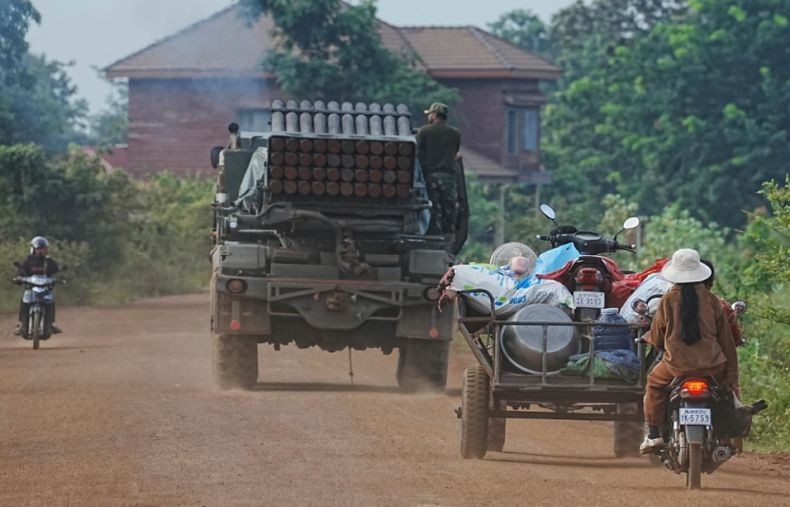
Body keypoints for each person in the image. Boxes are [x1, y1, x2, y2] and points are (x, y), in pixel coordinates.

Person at [640, 248, 738, 454]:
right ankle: (726, 436)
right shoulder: (712, 300)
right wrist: (730, 378)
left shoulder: (667, 300)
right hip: (713, 366)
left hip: (676, 367)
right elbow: (727, 342)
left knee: (654, 384)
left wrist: (656, 341)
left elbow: (657, 337)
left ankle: (654, 435)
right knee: (726, 393)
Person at [416, 102, 462, 234]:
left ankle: (434, 233)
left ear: (434, 115)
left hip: (431, 176)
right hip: (449, 177)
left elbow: (418, 154)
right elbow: (454, 153)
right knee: (449, 208)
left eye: (429, 114)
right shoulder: (455, 134)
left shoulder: (424, 131)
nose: (428, 116)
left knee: (433, 207)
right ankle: (448, 234)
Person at [14, 236, 62, 336]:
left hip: (45, 290)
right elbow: (22, 271)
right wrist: (19, 277)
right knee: (24, 303)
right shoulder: (28, 261)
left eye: (44, 248)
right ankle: (23, 325)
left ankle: (50, 324)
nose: (42, 251)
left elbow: (56, 269)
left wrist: (58, 275)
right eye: (39, 248)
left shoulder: (48, 261)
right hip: (31, 289)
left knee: (50, 303)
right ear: (33, 249)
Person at [700, 259, 745, 347]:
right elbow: (735, 339)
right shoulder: (721, 306)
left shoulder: (670, 303)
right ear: (711, 282)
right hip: (712, 358)